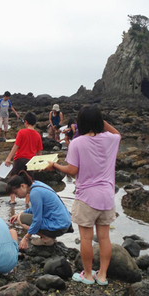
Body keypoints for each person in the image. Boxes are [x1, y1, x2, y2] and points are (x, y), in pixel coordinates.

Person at [45, 105, 120, 286]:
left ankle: (87, 275)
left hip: (87, 197)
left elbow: (72, 170)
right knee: (104, 238)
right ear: (99, 121)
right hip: (107, 196)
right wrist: (100, 120)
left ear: (81, 123)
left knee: (86, 238)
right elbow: (117, 133)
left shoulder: (77, 142)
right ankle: (102, 276)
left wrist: (54, 166)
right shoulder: (110, 140)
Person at [6, 171, 73, 249]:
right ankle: (50, 236)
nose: (16, 196)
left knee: (21, 218)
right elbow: (37, 207)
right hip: (65, 224)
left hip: (59, 227)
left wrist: (26, 238)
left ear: (22, 186)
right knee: (21, 215)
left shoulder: (34, 193)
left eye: (16, 193)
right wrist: (22, 212)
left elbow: (37, 220)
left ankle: (46, 239)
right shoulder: (36, 184)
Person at [4, 112, 43, 205]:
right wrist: (41, 164)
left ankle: (13, 200)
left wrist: (8, 158)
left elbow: (16, 146)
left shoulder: (21, 132)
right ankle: (27, 201)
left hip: (19, 159)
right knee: (30, 181)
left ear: (26, 122)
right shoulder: (38, 135)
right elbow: (39, 152)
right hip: (31, 161)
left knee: (13, 179)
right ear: (35, 123)